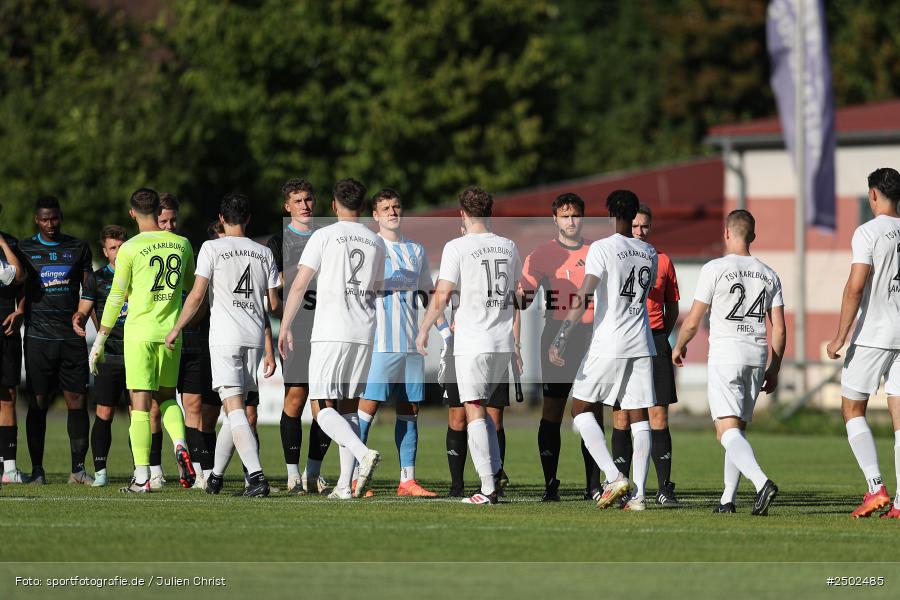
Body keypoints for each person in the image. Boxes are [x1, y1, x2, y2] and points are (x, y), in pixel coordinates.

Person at [548, 189, 657, 509]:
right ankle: (639, 497)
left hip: (609, 342)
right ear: (634, 213)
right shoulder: (649, 252)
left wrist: (562, 336)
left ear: (610, 214)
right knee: (639, 419)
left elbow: (585, 294)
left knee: (580, 410)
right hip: (641, 342)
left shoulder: (602, 248)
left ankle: (613, 476)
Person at [166, 193, 278, 497]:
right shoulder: (263, 251)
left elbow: (197, 295)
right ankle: (215, 476)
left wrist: (176, 328)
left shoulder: (211, 248)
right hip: (254, 337)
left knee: (233, 407)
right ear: (249, 218)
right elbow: (273, 302)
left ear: (220, 218)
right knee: (235, 408)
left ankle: (256, 477)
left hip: (225, 337)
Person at [673, 209, 783, 516]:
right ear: (753, 236)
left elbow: (693, 320)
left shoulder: (715, 268)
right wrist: (774, 367)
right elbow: (781, 328)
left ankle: (761, 483)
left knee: (725, 431)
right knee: (737, 430)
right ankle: (727, 499)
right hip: (756, 354)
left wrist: (679, 346)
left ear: (726, 233)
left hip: (726, 354)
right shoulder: (769, 273)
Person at [279, 178, 383, 500]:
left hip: (330, 333)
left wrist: (283, 327)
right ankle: (343, 486)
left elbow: (298, 286)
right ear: (364, 206)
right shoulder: (377, 242)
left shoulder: (324, 235)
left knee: (321, 408)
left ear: (334, 205)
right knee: (349, 409)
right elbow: (376, 290)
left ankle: (363, 453)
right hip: (364, 331)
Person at [417, 187, 521, 505]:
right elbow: (518, 296)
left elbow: (443, 293)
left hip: (473, 341)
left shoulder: (457, 246)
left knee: (473, 410)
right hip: (502, 342)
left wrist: (423, 329)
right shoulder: (509, 245)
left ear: (462, 213)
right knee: (485, 411)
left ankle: (488, 487)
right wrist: (516, 342)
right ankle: (496, 470)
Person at [89, 187, 195, 493]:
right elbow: (190, 287)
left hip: (138, 335)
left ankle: (141, 477)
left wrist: (99, 341)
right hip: (171, 335)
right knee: (166, 398)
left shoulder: (130, 249)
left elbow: (115, 297)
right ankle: (179, 444)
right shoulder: (183, 244)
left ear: (132, 212)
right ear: (157, 211)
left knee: (139, 405)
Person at [357, 188, 441, 497]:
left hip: (410, 343)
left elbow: (430, 295)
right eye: (386, 208)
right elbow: (359, 288)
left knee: (409, 410)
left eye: (397, 206)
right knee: (368, 407)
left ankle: (407, 480)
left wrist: (443, 332)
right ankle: (355, 476)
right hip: (380, 341)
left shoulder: (416, 250)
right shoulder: (369, 246)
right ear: (375, 216)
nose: (393, 212)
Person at [826, 167, 900, 519]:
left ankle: (875, 488)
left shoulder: (868, 232)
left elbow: (856, 285)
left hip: (874, 333)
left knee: (852, 408)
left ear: (873, 194)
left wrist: (841, 335)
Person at [520, 192, 602, 502]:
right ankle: (550, 483)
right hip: (555, 334)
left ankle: (593, 485)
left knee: (590, 410)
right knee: (552, 410)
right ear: (555, 219)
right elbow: (523, 297)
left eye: (576, 215)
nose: (571, 220)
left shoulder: (597, 252)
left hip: (592, 335)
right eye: (565, 215)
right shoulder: (541, 254)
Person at [19, 196, 94, 485]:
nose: (50, 224)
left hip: (71, 338)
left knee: (77, 401)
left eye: (55, 218)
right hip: (38, 338)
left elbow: (90, 292)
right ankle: (37, 470)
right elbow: (16, 287)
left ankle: (78, 469)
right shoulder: (25, 249)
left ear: (61, 217)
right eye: (44, 219)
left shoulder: (77, 247)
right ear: (36, 220)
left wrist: (98, 330)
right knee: (38, 403)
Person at [268, 178, 333, 495]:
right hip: (298, 329)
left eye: (308, 199)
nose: (305, 206)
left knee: (326, 403)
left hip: (329, 327)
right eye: (298, 201)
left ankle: (313, 474)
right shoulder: (278, 242)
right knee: (295, 399)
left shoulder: (328, 236)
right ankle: (292, 476)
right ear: (287, 206)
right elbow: (274, 291)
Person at [154, 193, 217, 489]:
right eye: (163, 220)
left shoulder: (187, 250)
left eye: (173, 220)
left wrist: (186, 324)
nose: (169, 225)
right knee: (155, 407)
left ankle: (201, 472)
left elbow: (199, 295)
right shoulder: (142, 252)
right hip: (158, 343)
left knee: (193, 406)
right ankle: (153, 470)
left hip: (190, 341)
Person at [630, 204, 681, 507]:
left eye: (645, 226)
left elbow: (672, 307)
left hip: (656, 340)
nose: (640, 232)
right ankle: (623, 483)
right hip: (625, 342)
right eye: (635, 226)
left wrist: (661, 334)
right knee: (624, 415)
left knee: (658, 414)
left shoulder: (662, 261)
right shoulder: (617, 257)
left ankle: (664, 487)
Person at [72, 225, 129, 487]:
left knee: (141, 413)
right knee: (104, 412)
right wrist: (79, 317)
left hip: (138, 353)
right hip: (109, 354)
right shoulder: (96, 279)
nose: (118, 252)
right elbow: (84, 308)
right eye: (113, 248)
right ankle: (102, 472)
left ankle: (148, 470)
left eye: (121, 246)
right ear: (105, 251)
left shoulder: (138, 275)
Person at [0, 203, 27, 483]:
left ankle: (9, 468)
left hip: (6, 332)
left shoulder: (10, 244)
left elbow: (19, 278)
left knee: (8, 397)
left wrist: (20, 311)